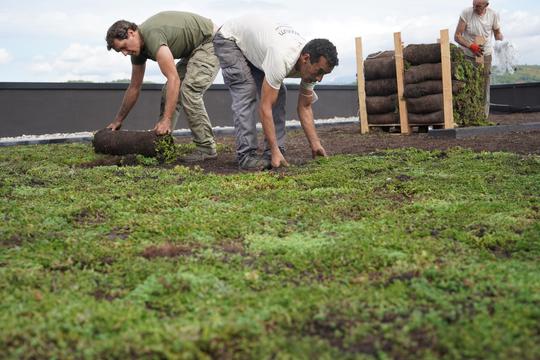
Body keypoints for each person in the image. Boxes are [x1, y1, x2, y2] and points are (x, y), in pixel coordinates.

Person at [213, 15, 339, 170]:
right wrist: (274, 150)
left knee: (279, 93)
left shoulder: (311, 68)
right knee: (246, 90)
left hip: (256, 45)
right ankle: (246, 156)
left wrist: (316, 144)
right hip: (229, 39)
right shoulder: (282, 57)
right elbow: (265, 107)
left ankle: (276, 152)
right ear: (306, 58)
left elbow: (304, 107)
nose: (319, 79)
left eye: (324, 74)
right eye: (319, 72)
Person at [105, 11, 220, 162]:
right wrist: (118, 120)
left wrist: (166, 119)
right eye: (121, 51)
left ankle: (207, 149)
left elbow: (174, 79)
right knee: (169, 92)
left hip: (211, 41)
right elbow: (134, 87)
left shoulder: (152, 36)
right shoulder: (137, 50)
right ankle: (162, 142)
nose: (125, 53)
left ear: (131, 33)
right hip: (194, 49)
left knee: (189, 90)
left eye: (124, 47)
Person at [454, 0, 503, 117]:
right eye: (474, 4)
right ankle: (468, 115)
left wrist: (501, 41)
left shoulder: (493, 15)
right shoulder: (466, 13)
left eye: (478, 6)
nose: (475, 7)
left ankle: (483, 116)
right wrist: (471, 46)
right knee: (467, 84)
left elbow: (497, 33)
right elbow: (457, 36)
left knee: (485, 84)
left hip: (485, 54)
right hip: (468, 54)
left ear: (486, 5)